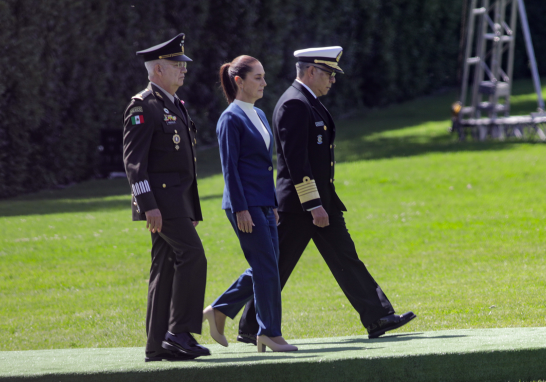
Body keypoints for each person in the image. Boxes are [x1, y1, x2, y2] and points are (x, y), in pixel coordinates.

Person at [237, 47, 416, 344]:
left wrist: (321, 202)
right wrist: (313, 204)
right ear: (311, 71)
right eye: (329, 74)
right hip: (300, 206)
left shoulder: (309, 101)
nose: (333, 80)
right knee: (276, 265)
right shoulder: (294, 104)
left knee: (345, 256)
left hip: (320, 202)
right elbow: (295, 161)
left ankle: (378, 316)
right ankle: (248, 326)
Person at [122, 33, 210, 362]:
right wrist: (148, 207)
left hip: (176, 203)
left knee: (165, 267)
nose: (183, 70)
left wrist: (190, 208)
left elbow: (183, 165)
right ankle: (179, 333)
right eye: (177, 65)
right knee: (193, 256)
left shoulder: (175, 105)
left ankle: (157, 345)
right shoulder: (143, 106)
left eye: (183, 65)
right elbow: (134, 164)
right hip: (160, 203)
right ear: (157, 69)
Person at [202, 55, 297, 353]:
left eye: (264, 76)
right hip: (243, 205)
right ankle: (269, 332)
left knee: (267, 265)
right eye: (257, 77)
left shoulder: (258, 114)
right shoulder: (230, 118)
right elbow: (229, 168)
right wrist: (242, 208)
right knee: (267, 266)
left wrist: (272, 203)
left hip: (263, 203)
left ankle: (218, 310)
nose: (264, 83)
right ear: (239, 81)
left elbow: (263, 166)